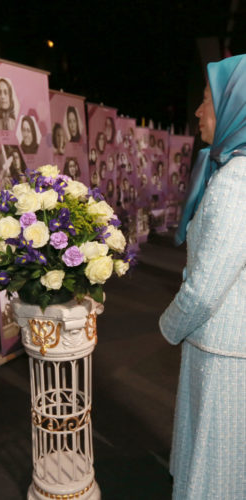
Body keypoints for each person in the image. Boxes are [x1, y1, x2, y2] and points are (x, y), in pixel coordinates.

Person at [160, 55, 246, 500]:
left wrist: (168, 325)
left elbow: (206, 287)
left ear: (236, 106)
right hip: (229, 347)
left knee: (215, 475)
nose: (197, 111)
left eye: (207, 100)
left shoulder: (237, 181)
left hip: (223, 352)